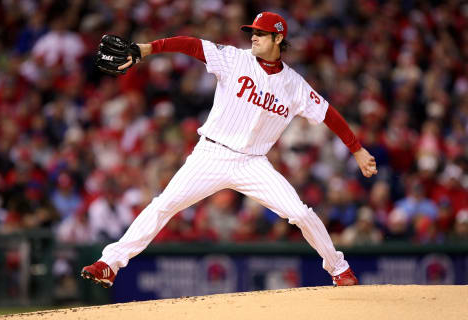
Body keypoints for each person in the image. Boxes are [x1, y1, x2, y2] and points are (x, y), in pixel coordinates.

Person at [81, 12, 377, 288]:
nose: (253, 37)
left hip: (253, 164)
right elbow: (192, 45)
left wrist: (357, 150)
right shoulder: (234, 59)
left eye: (261, 33)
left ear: (278, 39)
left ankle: (339, 268)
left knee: (300, 213)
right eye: (252, 32)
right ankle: (109, 263)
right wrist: (147, 48)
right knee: (163, 205)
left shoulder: (294, 84)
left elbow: (328, 114)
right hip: (211, 155)